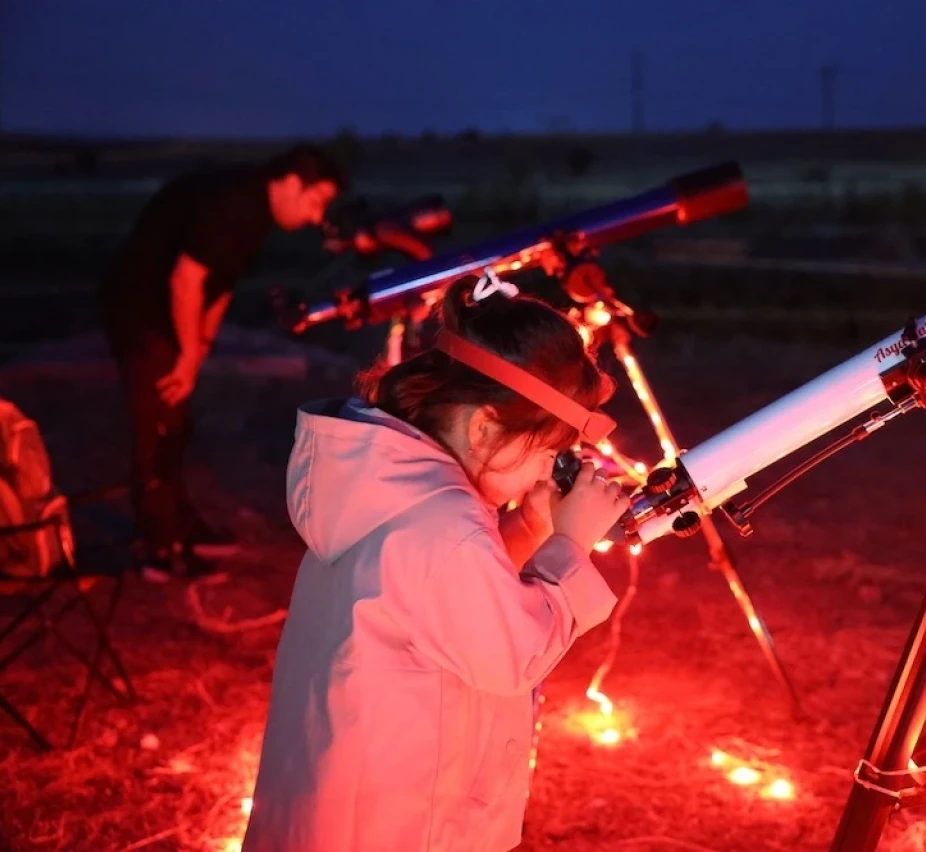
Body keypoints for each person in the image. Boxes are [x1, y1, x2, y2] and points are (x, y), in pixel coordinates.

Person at [242, 276, 628, 852]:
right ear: (483, 426)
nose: (545, 473)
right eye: (546, 452)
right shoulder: (444, 523)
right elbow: (509, 651)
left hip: (343, 800)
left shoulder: (392, 489)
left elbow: (445, 599)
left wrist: (527, 528)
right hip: (400, 822)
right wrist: (569, 549)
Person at [98, 144, 347, 581]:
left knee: (177, 422)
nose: (315, 217)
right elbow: (186, 279)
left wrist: (203, 341)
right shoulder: (236, 201)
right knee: (157, 423)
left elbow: (221, 280)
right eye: (316, 201)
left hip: (167, 314)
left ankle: (181, 524)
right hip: (141, 310)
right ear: (292, 181)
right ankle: (160, 547)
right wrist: (189, 356)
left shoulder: (255, 212)